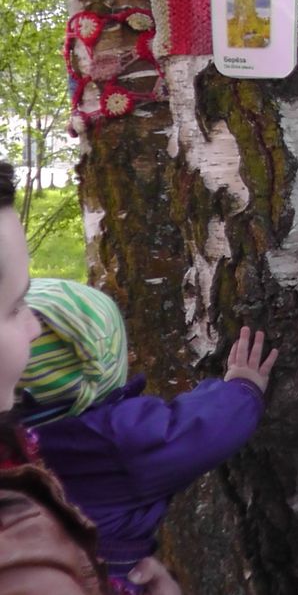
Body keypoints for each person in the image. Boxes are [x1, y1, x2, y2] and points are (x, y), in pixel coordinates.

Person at [16, 277, 277, 593]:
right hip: (108, 578)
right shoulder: (112, 439)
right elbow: (197, 432)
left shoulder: (18, 441)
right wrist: (242, 388)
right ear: (103, 369)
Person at [0, 160, 180, 595]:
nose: (35, 329)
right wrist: (246, 388)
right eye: (13, 308)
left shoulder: (20, 440)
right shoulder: (28, 571)